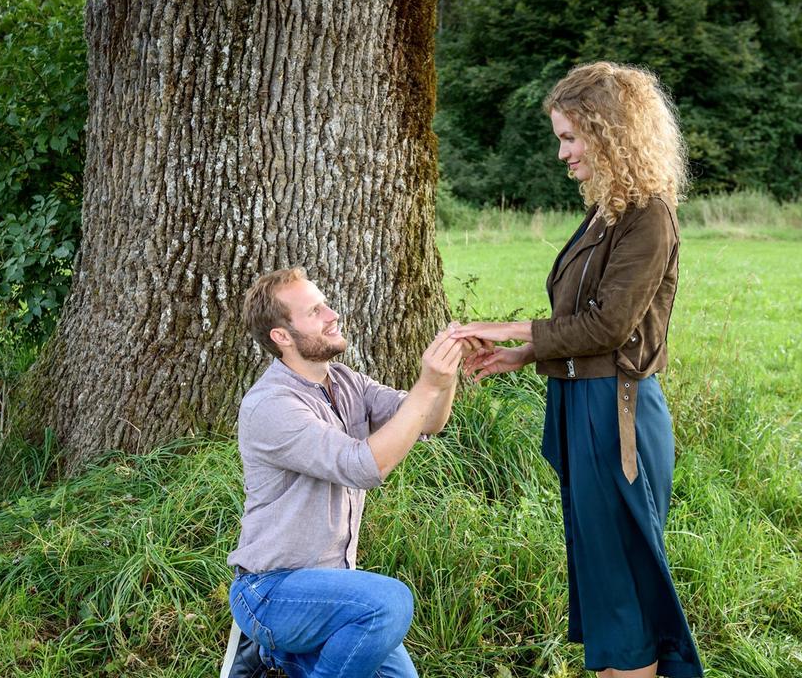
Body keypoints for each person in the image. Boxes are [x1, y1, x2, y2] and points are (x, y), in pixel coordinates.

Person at [454, 62, 704, 678]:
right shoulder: (608, 212)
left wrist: (512, 330)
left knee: (622, 585)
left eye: (570, 137)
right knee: (602, 573)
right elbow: (581, 322)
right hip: (580, 402)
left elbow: (609, 326)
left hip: (615, 414)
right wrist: (521, 356)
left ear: (611, 132)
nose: (563, 154)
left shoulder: (648, 215)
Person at [227, 267, 469, 678]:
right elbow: (366, 466)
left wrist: (445, 375)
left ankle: (276, 662)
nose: (332, 314)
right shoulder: (271, 405)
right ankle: (269, 651)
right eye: (315, 311)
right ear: (281, 337)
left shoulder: (343, 380)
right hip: (272, 592)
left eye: (325, 303)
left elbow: (426, 421)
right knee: (388, 603)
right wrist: (427, 386)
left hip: (336, 592)